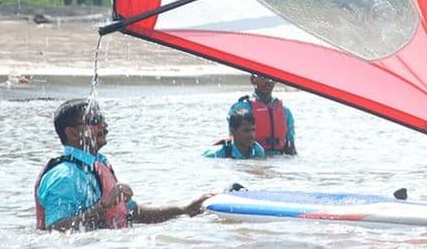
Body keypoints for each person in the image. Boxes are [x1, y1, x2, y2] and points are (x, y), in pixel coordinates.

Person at [35, 99, 212, 231]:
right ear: (72, 133)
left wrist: (183, 210)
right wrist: (104, 206)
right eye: (94, 120)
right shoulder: (64, 176)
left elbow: (131, 213)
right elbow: (56, 230)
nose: (104, 125)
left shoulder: (96, 166)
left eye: (102, 118)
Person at [229, 74, 297, 155]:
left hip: (279, 160)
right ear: (253, 79)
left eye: (272, 78)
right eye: (263, 77)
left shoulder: (285, 112)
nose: (268, 81)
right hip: (252, 158)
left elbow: (291, 147)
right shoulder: (240, 108)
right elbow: (234, 141)